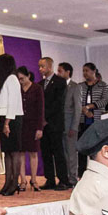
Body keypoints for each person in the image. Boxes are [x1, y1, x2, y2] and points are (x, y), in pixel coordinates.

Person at [39, 57, 72, 191]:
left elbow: (58, 103)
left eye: (42, 66)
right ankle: (50, 179)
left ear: (49, 67)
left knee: (58, 153)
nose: (40, 69)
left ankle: (63, 180)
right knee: (46, 153)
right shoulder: (40, 83)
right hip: (43, 125)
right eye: (39, 66)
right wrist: (41, 119)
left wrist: (46, 118)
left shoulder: (60, 81)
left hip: (55, 123)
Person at [0, 54, 24, 196]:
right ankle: (7, 182)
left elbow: (12, 103)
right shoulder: (4, 80)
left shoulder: (12, 79)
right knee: (6, 152)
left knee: (14, 152)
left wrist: (7, 123)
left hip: (12, 119)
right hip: (5, 118)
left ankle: (14, 183)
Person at [77, 63, 108, 178]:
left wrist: (89, 107)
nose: (85, 73)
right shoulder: (80, 86)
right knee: (82, 148)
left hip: (97, 120)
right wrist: (84, 110)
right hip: (83, 121)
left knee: (96, 148)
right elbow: (77, 101)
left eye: (87, 70)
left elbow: (104, 101)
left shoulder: (103, 85)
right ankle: (81, 174)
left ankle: (97, 173)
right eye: (83, 71)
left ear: (94, 71)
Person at [17, 66, 44, 192]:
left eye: (22, 78)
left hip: (33, 125)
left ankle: (34, 179)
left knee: (33, 152)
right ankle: (23, 180)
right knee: (21, 152)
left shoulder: (37, 88)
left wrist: (39, 128)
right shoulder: (18, 88)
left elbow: (40, 109)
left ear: (28, 76)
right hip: (20, 124)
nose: (21, 81)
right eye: (19, 79)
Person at [60, 62, 81, 186]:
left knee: (71, 154)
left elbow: (78, 109)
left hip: (70, 126)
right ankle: (65, 177)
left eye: (60, 71)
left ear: (68, 72)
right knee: (63, 154)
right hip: (60, 126)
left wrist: (74, 127)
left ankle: (73, 178)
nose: (58, 73)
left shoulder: (75, 86)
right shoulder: (59, 86)